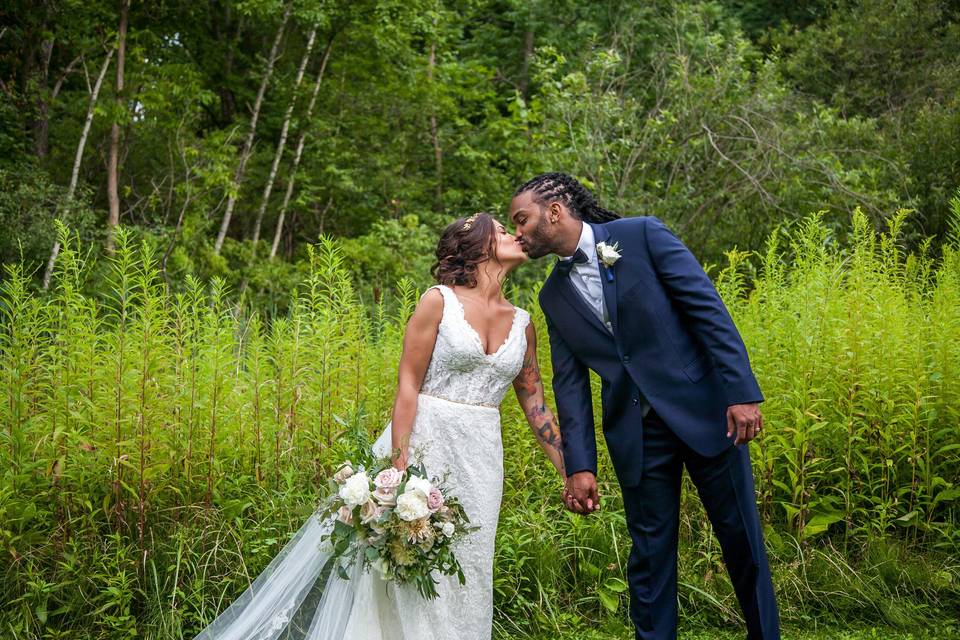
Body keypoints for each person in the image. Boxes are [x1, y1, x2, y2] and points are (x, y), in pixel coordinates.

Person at [192, 212, 564, 640]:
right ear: (478, 245)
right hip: (426, 446)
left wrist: (570, 470)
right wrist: (399, 470)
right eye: (501, 230)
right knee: (406, 565)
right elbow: (408, 384)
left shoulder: (523, 323)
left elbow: (535, 404)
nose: (516, 235)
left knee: (471, 564)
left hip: (481, 459)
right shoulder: (438, 301)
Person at [510, 172, 780, 640]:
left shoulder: (642, 235)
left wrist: (741, 392)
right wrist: (580, 465)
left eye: (521, 219)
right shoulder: (552, 296)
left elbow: (707, 310)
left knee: (742, 544)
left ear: (554, 211)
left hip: (707, 413)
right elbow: (569, 386)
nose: (517, 232)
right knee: (650, 559)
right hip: (635, 433)